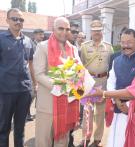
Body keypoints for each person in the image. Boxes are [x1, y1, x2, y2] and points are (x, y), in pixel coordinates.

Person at [34, 17, 80, 147]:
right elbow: (38, 74)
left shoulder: (73, 49)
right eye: (61, 28)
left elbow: (78, 72)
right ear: (53, 29)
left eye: (67, 29)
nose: (64, 32)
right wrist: (60, 86)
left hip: (67, 105)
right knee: (43, 142)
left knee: (63, 142)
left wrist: (78, 83)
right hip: (47, 106)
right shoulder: (42, 47)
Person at [0, 8, 34, 147]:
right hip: (5, 91)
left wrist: (34, 85)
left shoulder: (28, 41)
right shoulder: (1, 39)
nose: (18, 22)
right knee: (3, 128)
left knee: (20, 129)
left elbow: (31, 63)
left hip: (24, 91)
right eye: (14, 19)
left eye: (21, 19)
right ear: (7, 20)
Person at [78, 20, 113, 147]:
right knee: (87, 112)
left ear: (102, 31)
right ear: (91, 32)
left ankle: (97, 139)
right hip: (89, 83)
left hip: (103, 82)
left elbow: (112, 67)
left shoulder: (109, 47)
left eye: (99, 30)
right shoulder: (84, 46)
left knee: (100, 113)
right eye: (94, 30)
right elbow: (80, 66)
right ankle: (85, 138)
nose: (97, 33)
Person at [107, 28, 135, 147]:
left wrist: (128, 106)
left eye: (129, 42)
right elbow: (111, 81)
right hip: (119, 108)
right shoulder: (116, 60)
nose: (125, 46)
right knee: (117, 141)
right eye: (122, 42)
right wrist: (116, 100)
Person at [26, 28, 45, 121]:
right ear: (34, 35)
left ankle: (39, 111)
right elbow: (30, 60)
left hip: (42, 72)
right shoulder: (31, 45)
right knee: (32, 94)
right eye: (39, 34)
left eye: (42, 34)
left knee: (40, 93)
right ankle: (27, 112)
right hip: (32, 71)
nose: (41, 36)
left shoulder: (44, 45)